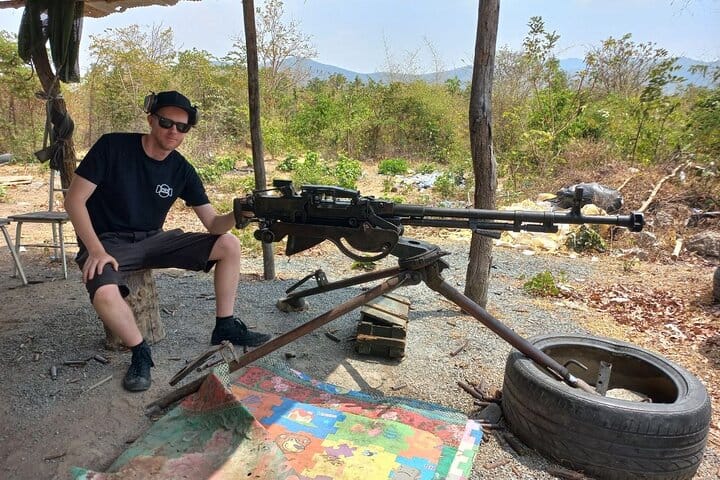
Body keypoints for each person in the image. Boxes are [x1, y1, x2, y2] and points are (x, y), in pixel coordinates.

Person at [64, 90, 271, 392]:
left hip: (154, 239)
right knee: (106, 294)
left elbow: (214, 224)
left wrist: (239, 213)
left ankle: (225, 324)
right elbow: (74, 200)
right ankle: (140, 353)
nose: (174, 131)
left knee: (229, 245)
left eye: (182, 126)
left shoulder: (181, 169)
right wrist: (94, 250)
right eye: (166, 122)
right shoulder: (112, 146)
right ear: (151, 120)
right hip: (107, 243)